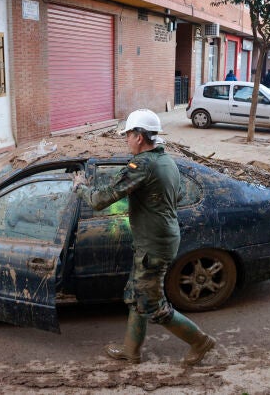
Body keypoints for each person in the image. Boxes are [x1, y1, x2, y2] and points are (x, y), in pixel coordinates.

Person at [72, 109, 216, 366]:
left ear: (139, 137)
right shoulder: (166, 161)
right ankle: (131, 350)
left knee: (153, 305)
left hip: (153, 246)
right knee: (136, 295)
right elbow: (179, 194)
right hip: (160, 239)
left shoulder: (143, 165)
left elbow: (100, 200)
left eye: (128, 134)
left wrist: (80, 186)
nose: (126, 139)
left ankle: (200, 341)